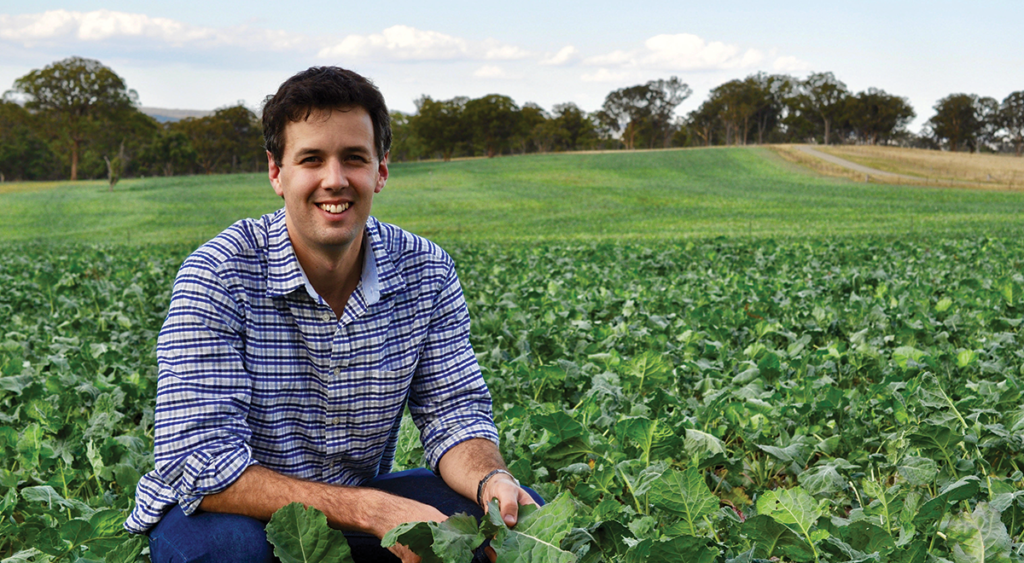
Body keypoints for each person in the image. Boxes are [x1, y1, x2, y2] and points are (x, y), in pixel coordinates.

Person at [125, 66, 539, 563]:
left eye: (354, 159)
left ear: (381, 170)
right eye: (312, 159)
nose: (335, 180)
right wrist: (370, 510)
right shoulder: (218, 274)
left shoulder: (427, 270)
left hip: (357, 499)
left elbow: (453, 415)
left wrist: (491, 478)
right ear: (277, 173)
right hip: (225, 513)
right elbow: (200, 462)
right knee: (229, 552)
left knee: (501, 524)